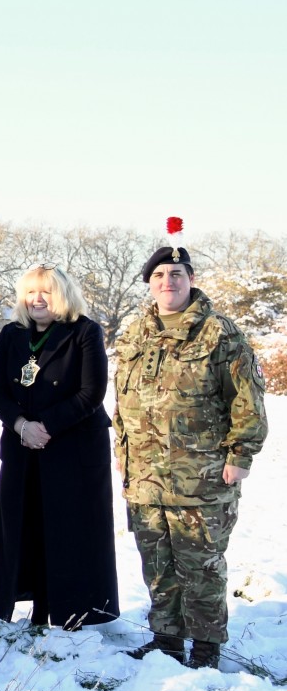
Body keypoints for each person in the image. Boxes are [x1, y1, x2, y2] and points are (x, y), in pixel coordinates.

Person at [113, 241, 268, 669]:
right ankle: (166, 641)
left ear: (191, 280)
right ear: (149, 284)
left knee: (201, 567)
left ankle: (204, 649)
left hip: (202, 476)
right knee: (158, 566)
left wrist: (240, 455)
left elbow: (247, 402)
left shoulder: (221, 332)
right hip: (145, 477)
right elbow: (122, 399)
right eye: (159, 276)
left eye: (176, 275)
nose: (168, 282)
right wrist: (122, 454)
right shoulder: (134, 333)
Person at [0, 264, 120, 633]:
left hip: (72, 447)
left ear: (62, 295)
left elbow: (91, 392)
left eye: (45, 291)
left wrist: (46, 426)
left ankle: (75, 612)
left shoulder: (85, 332)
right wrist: (21, 426)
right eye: (30, 292)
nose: (37, 299)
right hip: (22, 446)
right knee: (26, 526)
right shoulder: (12, 335)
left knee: (68, 529)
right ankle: (35, 606)